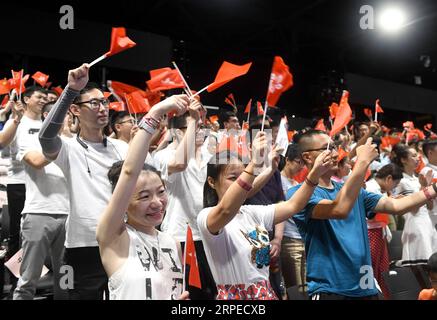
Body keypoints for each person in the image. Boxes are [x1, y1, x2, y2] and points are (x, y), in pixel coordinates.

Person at [288, 130, 437, 300]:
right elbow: (339, 209)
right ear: (308, 157)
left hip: (365, 286)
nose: (336, 153)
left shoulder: (354, 191)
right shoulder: (298, 194)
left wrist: (434, 188)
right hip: (331, 289)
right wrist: (363, 161)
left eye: (335, 147)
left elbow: (397, 205)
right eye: (328, 148)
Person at [197, 131, 335, 300]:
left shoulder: (252, 213)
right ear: (212, 182)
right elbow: (225, 209)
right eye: (233, 177)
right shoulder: (207, 217)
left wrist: (314, 174)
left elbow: (293, 205)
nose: (243, 182)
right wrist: (254, 164)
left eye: (243, 176)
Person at [39, 64, 129, 300]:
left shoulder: (122, 148)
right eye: (94, 103)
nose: (102, 108)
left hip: (122, 240)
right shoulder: (69, 149)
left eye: (104, 102)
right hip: (82, 244)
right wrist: (70, 90)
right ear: (76, 111)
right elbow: (46, 137)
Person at [97, 93, 191, 300]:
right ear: (123, 201)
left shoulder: (172, 243)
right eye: (144, 196)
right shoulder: (113, 236)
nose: (157, 203)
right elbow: (130, 171)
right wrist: (156, 112)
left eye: (160, 192)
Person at [13, 86, 69, 300]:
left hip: (69, 217)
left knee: (66, 279)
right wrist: (58, 145)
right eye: (61, 114)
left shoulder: (74, 140)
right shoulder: (29, 134)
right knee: (28, 279)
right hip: (38, 214)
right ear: (48, 115)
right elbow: (36, 161)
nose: (66, 119)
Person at [392, 144, 437, 266]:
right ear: (403, 160)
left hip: (428, 225)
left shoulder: (418, 179)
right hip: (415, 226)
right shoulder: (402, 182)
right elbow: (413, 209)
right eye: (413, 155)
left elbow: (430, 207)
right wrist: (424, 188)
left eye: (417, 155)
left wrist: (426, 187)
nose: (418, 158)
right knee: (420, 269)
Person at [365, 163, 403, 299]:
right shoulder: (369, 187)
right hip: (370, 233)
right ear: (388, 179)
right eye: (395, 184)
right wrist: (389, 201)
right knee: (373, 269)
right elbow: (368, 213)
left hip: (379, 232)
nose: (394, 188)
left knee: (383, 269)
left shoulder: (383, 191)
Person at [279, 144, 307, 294]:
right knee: (294, 287)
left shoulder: (297, 184)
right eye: (298, 162)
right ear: (288, 160)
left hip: (302, 238)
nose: (301, 166)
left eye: (303, 163)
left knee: (305, 287)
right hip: (287, 238)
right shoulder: (277, 179)